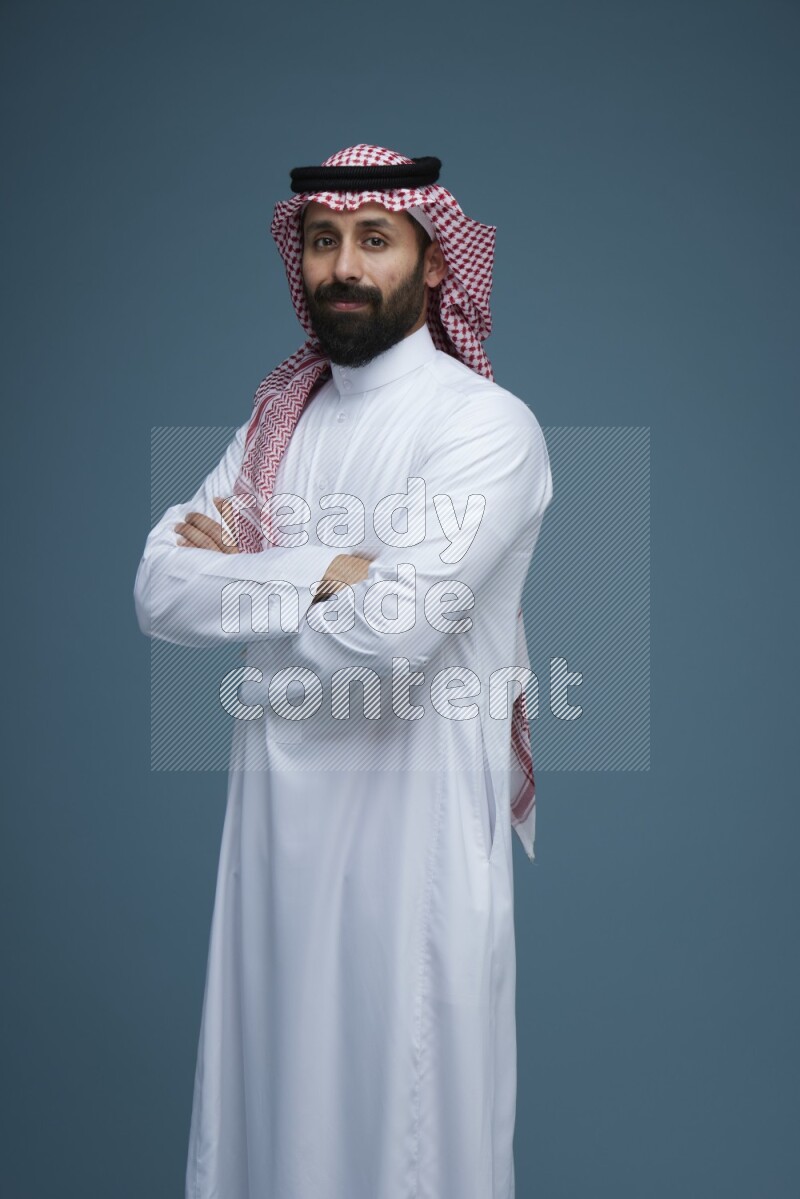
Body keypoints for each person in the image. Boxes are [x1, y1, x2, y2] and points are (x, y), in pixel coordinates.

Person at [134, 144, 553, 1199]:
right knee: (264, 1112)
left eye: (373, 239)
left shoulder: (484, 427)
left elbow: (393, 633)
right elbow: (156, 587)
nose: (343, 267)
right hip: (273, 844)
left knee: (410, 1123)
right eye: (322, 242)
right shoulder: (279, 421)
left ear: (434, 264)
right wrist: (322, 569)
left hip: (411, 848)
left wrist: (257, 630)